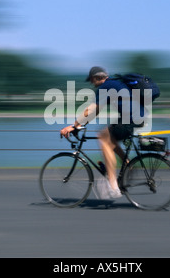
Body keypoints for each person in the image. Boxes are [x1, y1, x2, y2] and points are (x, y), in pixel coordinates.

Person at [60, 66, 146, 199]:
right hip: (137, 117)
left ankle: (112, 186)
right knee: (108, 136)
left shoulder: (106, 86)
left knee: (103, 137)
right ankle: (128, 164)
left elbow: (91, 110)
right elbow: (96, 112)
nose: (92, 84)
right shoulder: (116, 83)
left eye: (92, 80)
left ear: (96, 78)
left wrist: (73, 126)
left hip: (129, 119)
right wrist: (80, 124)